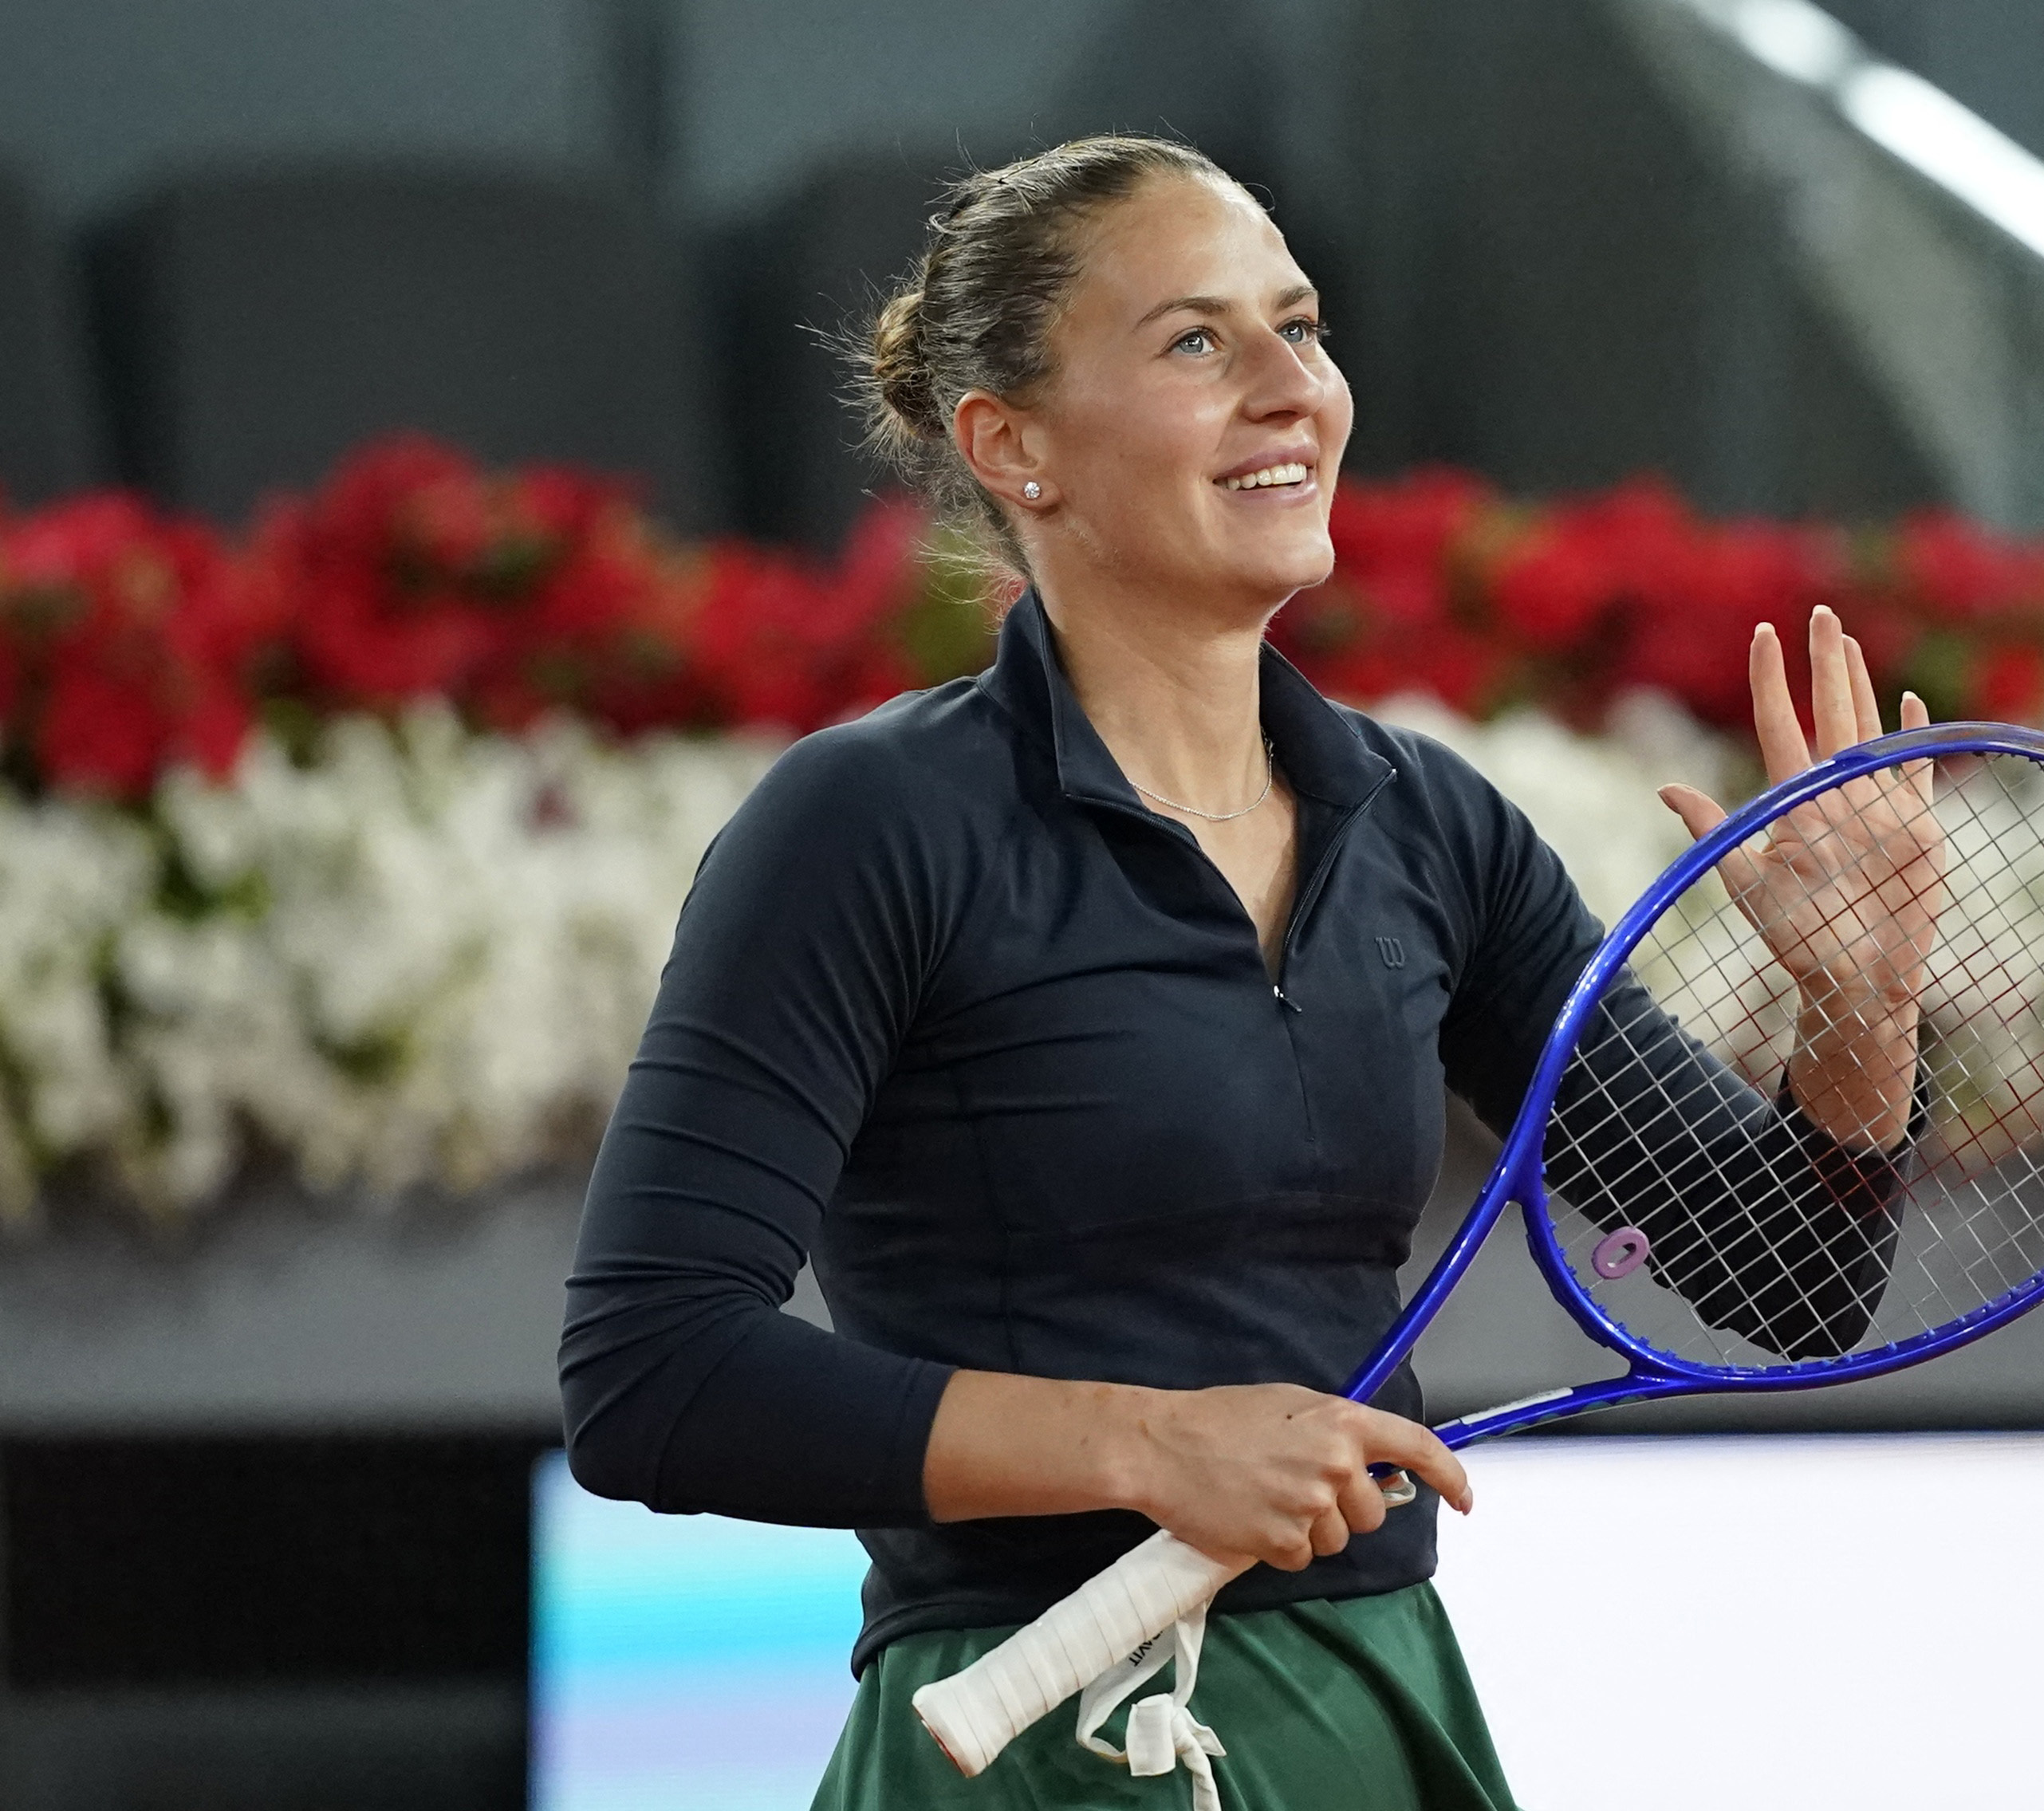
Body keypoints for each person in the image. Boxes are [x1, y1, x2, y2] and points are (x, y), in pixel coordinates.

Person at [559, 134, 1938, 1811]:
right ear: (1014, 446)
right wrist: (1148, 1443)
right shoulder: (864, 824)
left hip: (1375, 1703)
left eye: (1302, 325)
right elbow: (654, 1376)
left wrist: (1858, 1013)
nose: (1292, 387)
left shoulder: (1434, 828)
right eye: (1196, 342)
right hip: (1035, 1741)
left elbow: (1782, 1281)